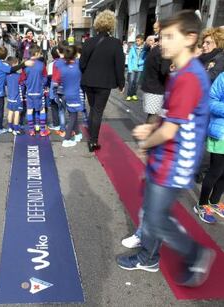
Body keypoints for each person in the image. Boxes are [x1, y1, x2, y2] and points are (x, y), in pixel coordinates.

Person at [116, 10, 215, 287]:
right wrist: (151, 129)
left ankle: (195, 253)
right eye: (161, 36)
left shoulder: (189, 77)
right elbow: (171, 115)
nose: (162, 42)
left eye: (170, 36)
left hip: (175, 162)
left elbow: (171, 130)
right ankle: (148, 256)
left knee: (157, 218)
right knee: (150, 211)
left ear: (190, 38)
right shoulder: (181, 72)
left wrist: (146, 141)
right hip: (164, 157)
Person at [79, 10, 125, 152]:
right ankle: (93, 141)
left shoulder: (88, 42)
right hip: (104, 83)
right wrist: (121, 83)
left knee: (93, 108)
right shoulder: (116, 43)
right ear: (111, 25)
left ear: (97, 25)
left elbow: (81, 64)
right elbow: (119, 65)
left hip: (88, 82)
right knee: (98, 111)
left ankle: (92, 135)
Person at [194, 72, 224, 224]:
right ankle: (201, 205)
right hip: (221, 133)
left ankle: (215, 202)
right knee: (215, 171)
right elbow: (211, 102)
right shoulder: (223, 77)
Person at [0, 46, 33, 134]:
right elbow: (12, 69)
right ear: (6, 55)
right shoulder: (2, 65)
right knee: (0, 110)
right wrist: (24, 64)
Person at [52, 45, 84, 147]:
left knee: (72, 114)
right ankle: (67, 139)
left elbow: (55, 81)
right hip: (75, 93)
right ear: (75, 54)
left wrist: (55, 92)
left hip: (65, 93)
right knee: (73, 116)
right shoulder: (79, 64)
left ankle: (78, 133)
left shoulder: (60, 65)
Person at [141, 35, 171, 123]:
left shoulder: (155, 49)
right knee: (154, 118)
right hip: (156, 89)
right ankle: (148, 135)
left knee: (152, 116)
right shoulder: (162, 52)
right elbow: (165, 71)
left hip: (151, 87)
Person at [20, 44, 49, 136]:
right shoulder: (42, 65)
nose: (40, 55)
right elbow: (45, 77)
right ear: (36, 53)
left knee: (29, 110)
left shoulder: (26, 65)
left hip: (29, 92)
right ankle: (42, 130)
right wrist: (42, 84)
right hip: (39, 92)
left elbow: (22, 79)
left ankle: (31, 130)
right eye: (40, 53)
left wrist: (27, 84)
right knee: (41, 110)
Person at [5, 56, 24, 135]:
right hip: (17, 98)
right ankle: (16, 129)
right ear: (14, 64)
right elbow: (22, 86)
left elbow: (5, 84)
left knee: (10, 112)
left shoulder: (7, 76)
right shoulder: (18, 76)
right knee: (17, 113)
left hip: (10, 98)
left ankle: (10, 127)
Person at [126, 34, 148, 101]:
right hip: (132, 68)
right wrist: (129, 68)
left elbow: (145, 59)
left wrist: (140, 63)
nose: (137, 42)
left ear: (142, 41)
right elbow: (129, 59)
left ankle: (134, 94)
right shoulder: (133, 48)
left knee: (136, 82)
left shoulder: (145, 49)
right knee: (131, 81)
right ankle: (129, 94)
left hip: (140, 69)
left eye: (138, 41)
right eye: (136, 41)